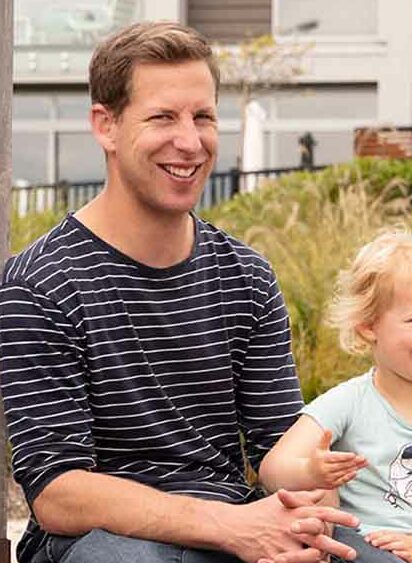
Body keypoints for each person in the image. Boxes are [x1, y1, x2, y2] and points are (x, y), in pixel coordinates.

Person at [0, 22, 358, 563]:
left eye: (204, 117)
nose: (189, 142)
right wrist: (232, 528)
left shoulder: (247, 276)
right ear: (107, 126)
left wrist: (306, 512)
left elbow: (282, 451)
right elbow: (57, 492)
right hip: (102, 541)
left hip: (236, 522)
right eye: (163, 117)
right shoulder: (39, 283)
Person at [259, 231, 412, 563]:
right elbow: (271, 469)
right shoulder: (347, 401)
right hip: (370, 545)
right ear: (369, 327)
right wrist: (311, 471)